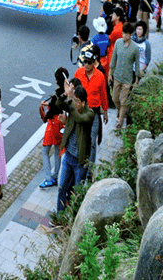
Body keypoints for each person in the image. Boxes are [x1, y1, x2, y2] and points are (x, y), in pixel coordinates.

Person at [56, 84, 95, 213]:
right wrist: (66, 94)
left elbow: (80, 119)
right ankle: (59, 216)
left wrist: (71, 103)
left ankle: (73, 218)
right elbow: (59, 103)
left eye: (77, 101)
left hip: (80, 161)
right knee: (62, 187)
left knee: (77, 193)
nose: (75, 103)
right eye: (74, 100)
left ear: (83, 102)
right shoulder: (72, 108)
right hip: (68, 156)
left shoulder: (89, 114)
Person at [73, 50, 108, 166]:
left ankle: (90, 169)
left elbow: (103, 94)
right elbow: (72, 90)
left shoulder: (100, 76)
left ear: (94, 63)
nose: (86, 65)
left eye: (89, 62)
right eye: (84, 62)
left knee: (92, 141)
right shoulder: (78, 73)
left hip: (94, 112)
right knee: (78, 138)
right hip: (80, 111)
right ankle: (78, 162)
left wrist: (106, 111)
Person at [39, 68, 67, 188]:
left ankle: (48, 178)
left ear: (56, 80)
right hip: (61, 123)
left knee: (45, 150)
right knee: (57, 151)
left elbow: (54, 108)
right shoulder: (66, 91)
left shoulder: (59, 94)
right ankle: (55, 176)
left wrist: (45, 114)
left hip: (54, 124)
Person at [109, 22, 139, 129]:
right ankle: (120, 111)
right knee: (115, 99)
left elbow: (137, 64)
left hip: (127, 79)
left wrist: (136, 80)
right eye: (123, 33)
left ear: (131, 34)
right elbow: (113, 59)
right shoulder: (118, 43)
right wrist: (110, 74)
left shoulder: (135, 48)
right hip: (117, 76)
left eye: (127, 34)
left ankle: (120, 122)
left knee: (124, 101)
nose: (124, 35)